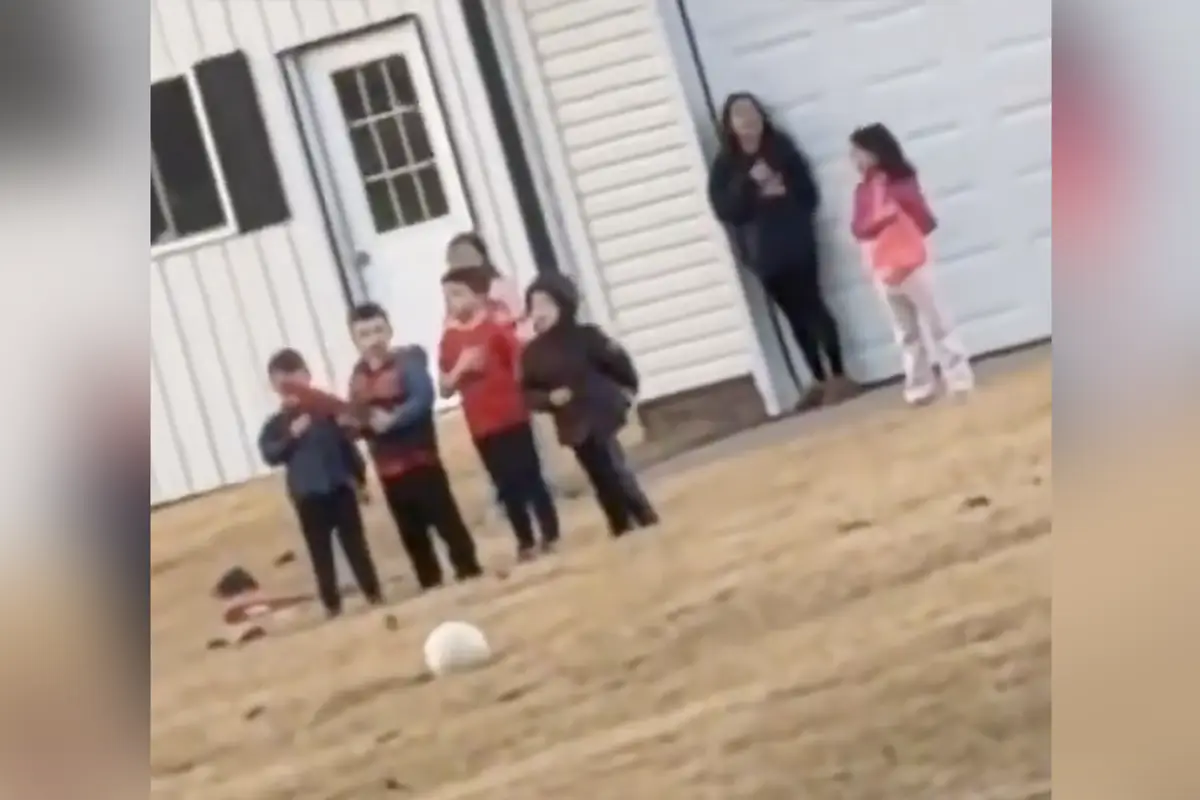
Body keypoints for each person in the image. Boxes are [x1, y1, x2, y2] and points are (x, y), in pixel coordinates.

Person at [708, 92, 857, 410]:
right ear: (729, 124)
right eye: (739, 115)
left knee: (813, 306)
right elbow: (725, 210)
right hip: (763, 254)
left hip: (796, 242)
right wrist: (751, 185)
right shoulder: (726, 165)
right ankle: (818, 379)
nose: (748, 120)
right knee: (793, 316)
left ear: (762, 116)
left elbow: (809, 194)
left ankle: (839, 376)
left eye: (752, 112)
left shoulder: (782, 150)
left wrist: (782, 195)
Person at [345, 302, 483, 589]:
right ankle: (429, 580)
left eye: (378, 330)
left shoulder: (408, 363)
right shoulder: (357, 377)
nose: (373, 340)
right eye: (365, 334)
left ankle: (468, 569)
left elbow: (423, 398)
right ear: (354, 340)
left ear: (389, 330)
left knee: (444, 518)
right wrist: (356, 424)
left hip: (421, 458)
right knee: (410, 529)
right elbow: (356, 413)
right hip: (387, 466)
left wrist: (393, 420)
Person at [519, 273, 658, 537]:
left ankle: (642, 514)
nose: (539, 312)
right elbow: (528, 393)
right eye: (533, 305)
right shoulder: (532, 353)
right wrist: (549, 399)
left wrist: (628, 391)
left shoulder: (587, 336)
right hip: (572, 423)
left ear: (563, 303)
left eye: (546, 304)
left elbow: (618, 364)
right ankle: (620, 523)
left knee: (614, 467)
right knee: (597, 473)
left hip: (601, 412)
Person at [438, 265, 561, 560]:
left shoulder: (495, 330)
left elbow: (519, 367)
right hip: (481, 423)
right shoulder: (449, 340)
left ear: (479, 295)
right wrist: (461, 368)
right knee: (504, 482)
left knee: (529, 474)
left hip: (511, 415)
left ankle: (550, 531)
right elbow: (444, 388)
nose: (452, 302)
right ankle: (524, 539)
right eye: (447, 296)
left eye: (458, 294)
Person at [849, 122, 975, 404]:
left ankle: (959, 379)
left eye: (858, 152)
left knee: (938, 322)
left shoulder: (901, 183)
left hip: (912, 261)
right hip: (882, 265)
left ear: (874, 152)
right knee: (905, 330)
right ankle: (920, 385)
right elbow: (858, 227)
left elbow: (922, 217)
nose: (854, 160)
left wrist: (892, 219)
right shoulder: (863, 191)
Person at [257, 348, 383, 618]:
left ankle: (373, 592)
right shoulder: (277, 424)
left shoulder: (326, 413)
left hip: (339, 486)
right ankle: (332, 604)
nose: (291, 387)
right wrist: (291, 435)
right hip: (308, 495)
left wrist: (359, 479)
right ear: (275, 387)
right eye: (283, 382)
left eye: (295, 378)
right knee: (320, 552)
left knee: (355, 544)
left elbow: (347, 446)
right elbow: (270, 453)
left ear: (307, 376)